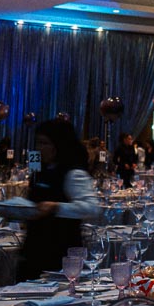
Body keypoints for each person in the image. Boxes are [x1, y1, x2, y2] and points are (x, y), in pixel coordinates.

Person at [19, 118, 100, 280]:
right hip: (34, 250)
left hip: (60, 252)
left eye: (44, 143)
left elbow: (92, 207)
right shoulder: (40, 170)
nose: (39, 148)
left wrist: (56, 207)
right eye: (38, 143)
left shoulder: (73, 173)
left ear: (58, 145)